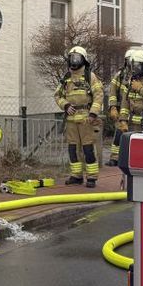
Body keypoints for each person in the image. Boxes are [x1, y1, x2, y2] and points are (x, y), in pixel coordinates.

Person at [54, 45, 104, 187]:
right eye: (72, 58)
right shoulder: (66, 78)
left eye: (77, 58)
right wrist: (65, 105)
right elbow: (57, 95)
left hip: (86, 119)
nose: (74, 61)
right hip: (71, 120)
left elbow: (99, 95)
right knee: (73, 149)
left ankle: (92, 177)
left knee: (88, 149)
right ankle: (76, 176)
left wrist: (93, 113)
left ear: (83, 60)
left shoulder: (90, 76)